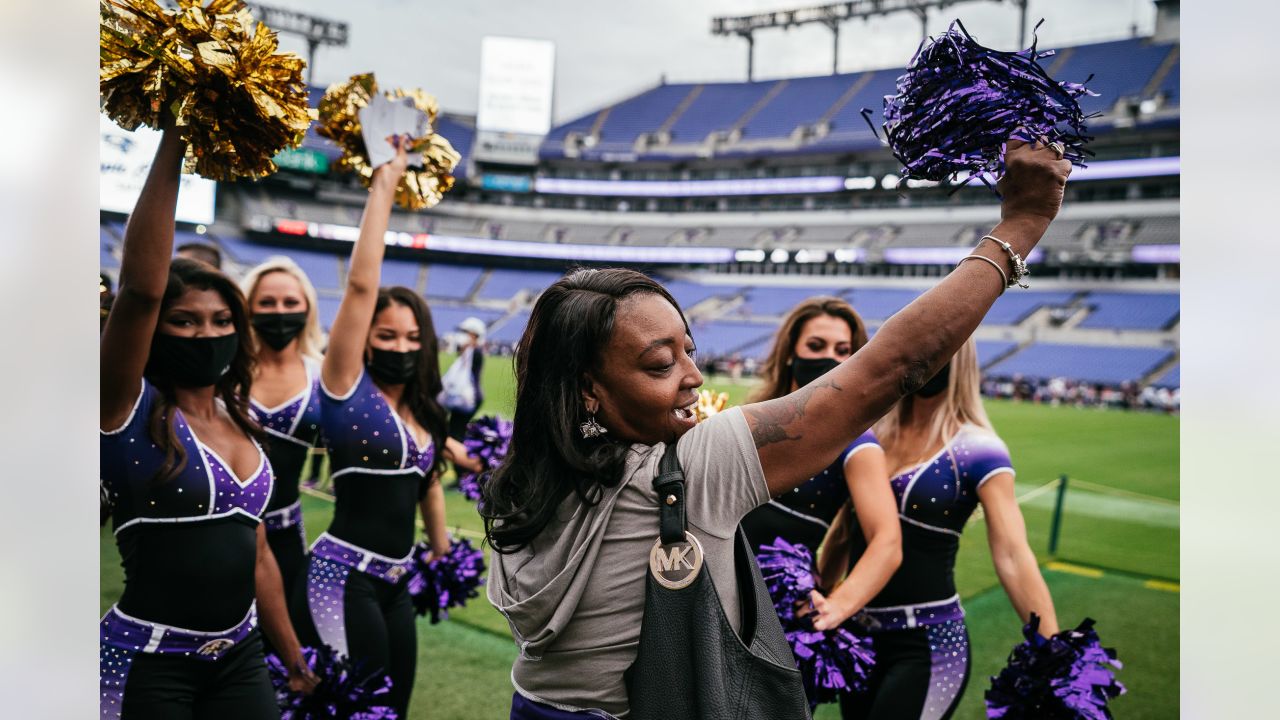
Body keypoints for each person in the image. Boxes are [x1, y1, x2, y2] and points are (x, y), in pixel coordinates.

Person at [482, 139, 1072, 719]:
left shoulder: (518, 485)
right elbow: (890, 367)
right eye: (660, 364)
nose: (693, 377)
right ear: (587, 387)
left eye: (690, 350)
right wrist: (1023, 222)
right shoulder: (693, 470)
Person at [100, 127, 314, 718]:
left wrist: (293, 658)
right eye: (186, 321)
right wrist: (175, 135)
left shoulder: (239, 418)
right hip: (149, 661)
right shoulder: (124, 406)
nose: (209, 333)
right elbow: (141, 291)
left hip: (240, 658)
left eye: (222, 320)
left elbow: (259, 553)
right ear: (156, 328)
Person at [296, 135, 479, 718]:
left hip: (397, 582)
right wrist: (385, 185)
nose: (400, 346)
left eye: (411, 338)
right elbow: (360, 287)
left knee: (393, 708)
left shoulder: (426, 410)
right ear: (366, 342)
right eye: (385, 336)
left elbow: (425, 482)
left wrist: (443, 550)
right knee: (352, 709)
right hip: (339, 576)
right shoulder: (347, 388)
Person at [832, 337, 1059, 720]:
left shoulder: (979, 449)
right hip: (859, 640)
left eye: (937, 353)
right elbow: (844, 529)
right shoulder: (872, 435)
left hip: (930, 644)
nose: (922, 363)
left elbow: (1012, 554)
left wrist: (1054, 651)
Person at [739, 297, 902, 637]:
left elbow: (887, 542)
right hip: (714, 588)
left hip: (776, 616)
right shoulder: (751, 418)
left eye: (843, 350)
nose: (830, 358)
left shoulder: (857, 443)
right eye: (816, 346)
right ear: (789, 353)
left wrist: (837, 606)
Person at [240, 257, 326, 612]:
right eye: (267, 302)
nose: (279, 311)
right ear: (248, 308)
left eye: (291, 303)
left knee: (285, 642)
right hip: (221, 532)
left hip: (286, 530)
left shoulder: (322, 375)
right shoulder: (226, 368)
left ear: (307, 309)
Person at [442, 316, 487, 440]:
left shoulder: (475, 352)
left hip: (468, 397)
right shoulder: (470, 351)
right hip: (466, 396)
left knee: (456, 432)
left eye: (464, 332)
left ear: (474, 335)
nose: (461, 335)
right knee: (455, 429)